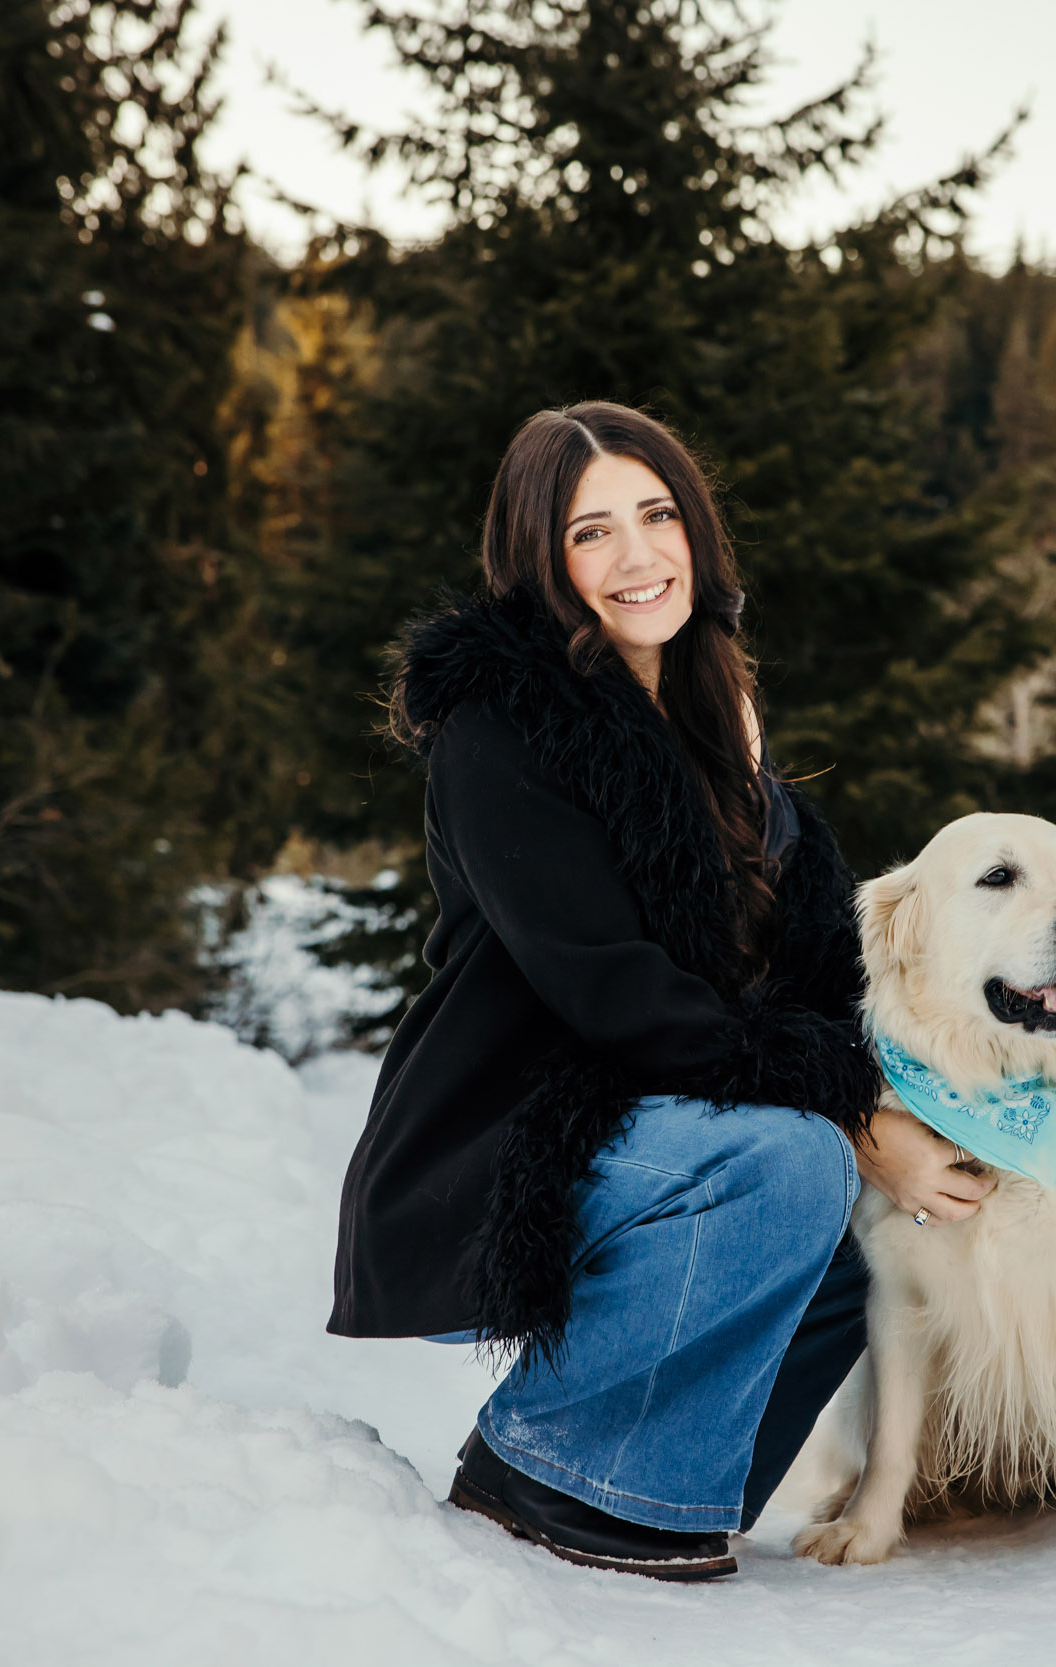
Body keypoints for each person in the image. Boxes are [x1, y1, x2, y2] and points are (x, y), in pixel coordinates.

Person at [327, 401, 994, 1581]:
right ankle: (535, 1467)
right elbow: (613, 988)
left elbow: (799, 974)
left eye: (657, 513)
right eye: (591, 533)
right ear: (539, 560)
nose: (638, 555)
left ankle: (665, 1486)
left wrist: (956, 1100)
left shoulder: (703, 712)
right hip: (506, 1141)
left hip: (649, 1117)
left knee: (860, 1235)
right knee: (791, 1164)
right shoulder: (502, 727)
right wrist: (847, 1114)